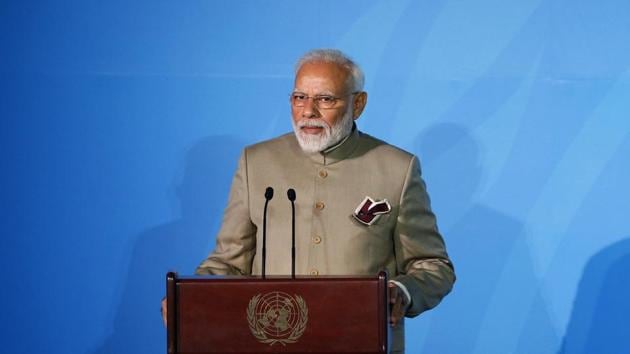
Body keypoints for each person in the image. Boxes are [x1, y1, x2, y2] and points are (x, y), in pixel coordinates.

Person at [161, 49, 455, 353]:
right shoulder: (256, 162)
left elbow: (433, 265)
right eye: (299, 98)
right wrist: (188, 299)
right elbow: (228, 262)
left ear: (358, 103)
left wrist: (401, 291)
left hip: (360, 343)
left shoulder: (397, 169)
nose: (308, 111)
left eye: (326, 99)